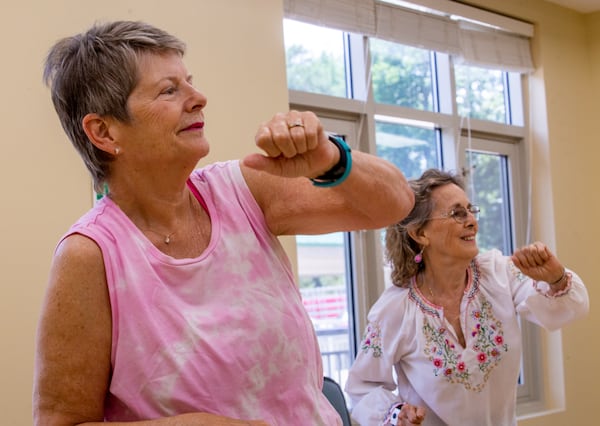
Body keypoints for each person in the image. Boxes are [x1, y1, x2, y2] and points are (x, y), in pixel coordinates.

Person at [32, 20, 415, 426]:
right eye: (169, 90)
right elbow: (60, 421)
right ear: (104, 132)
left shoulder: (242, 190)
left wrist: (330, 158)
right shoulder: (89, 256)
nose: (199, 99)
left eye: (189, 83)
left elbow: (394, 204)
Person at [344, 168, 589, 426]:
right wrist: (396, 414)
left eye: (471, 210)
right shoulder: (396, 309)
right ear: (419, 233)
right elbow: (361, 388)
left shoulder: (498, 274)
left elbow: (570, 308)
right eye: (457, 213)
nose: (472, 221)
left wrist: (556, 278)